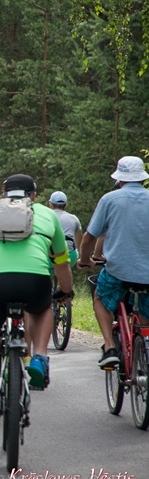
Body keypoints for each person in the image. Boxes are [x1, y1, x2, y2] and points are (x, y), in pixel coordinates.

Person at [0, 174, 73, 444]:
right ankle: (39, 356)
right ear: (34, 195)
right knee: (42, 310)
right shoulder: (47, 215)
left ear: (2, 192)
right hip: (35, 281)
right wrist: (66, 291)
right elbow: (62, 262)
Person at [77, 156, 149, 368]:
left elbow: (90, 237)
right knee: (145, 308)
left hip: (118, 271)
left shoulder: (110, 199)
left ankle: (109, 347)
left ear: (120, 179)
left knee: (100, 296)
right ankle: (144, 343)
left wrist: (84, 260)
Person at [48, 191, 82, 268]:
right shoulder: (74, 218)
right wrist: (82, 258)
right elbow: (79, 243)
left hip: (50, 258)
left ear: (50, 204)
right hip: (70, 257)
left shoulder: (46, 217)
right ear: (66, 205)